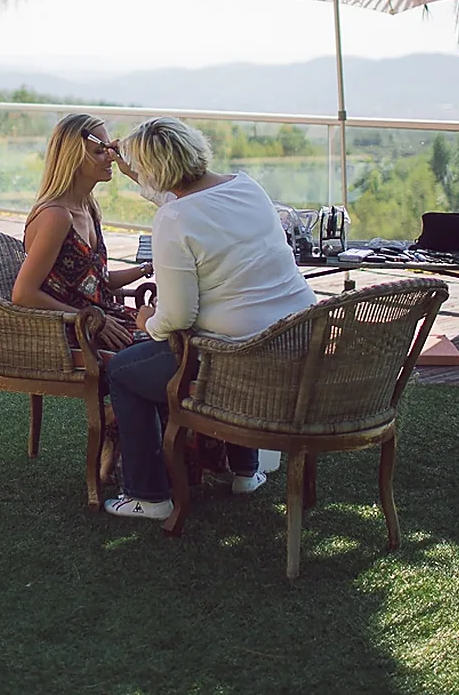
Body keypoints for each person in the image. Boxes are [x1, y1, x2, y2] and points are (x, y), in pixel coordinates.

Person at [101, 116, 318, 520]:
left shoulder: (173, 220)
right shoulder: (246, 187)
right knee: (234, 325)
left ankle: (149, 496)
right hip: (296, 340)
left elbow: (178, 315)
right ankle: (246, 473)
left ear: (157, 172)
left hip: (236, 357)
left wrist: (147, 321)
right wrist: (138, 174)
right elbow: (193, 208)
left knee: (123, 371)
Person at [12, 113, 151, 351]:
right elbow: (23, 294)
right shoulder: (56, 216)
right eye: (99, 151)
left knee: (178, 334)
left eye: (109, 148)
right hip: (77, 333)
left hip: (104, 319)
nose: (110, 156)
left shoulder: (88, 208)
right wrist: (90, 320)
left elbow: (96, 281)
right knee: (172, 346)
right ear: (73, 159)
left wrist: (147, 268)